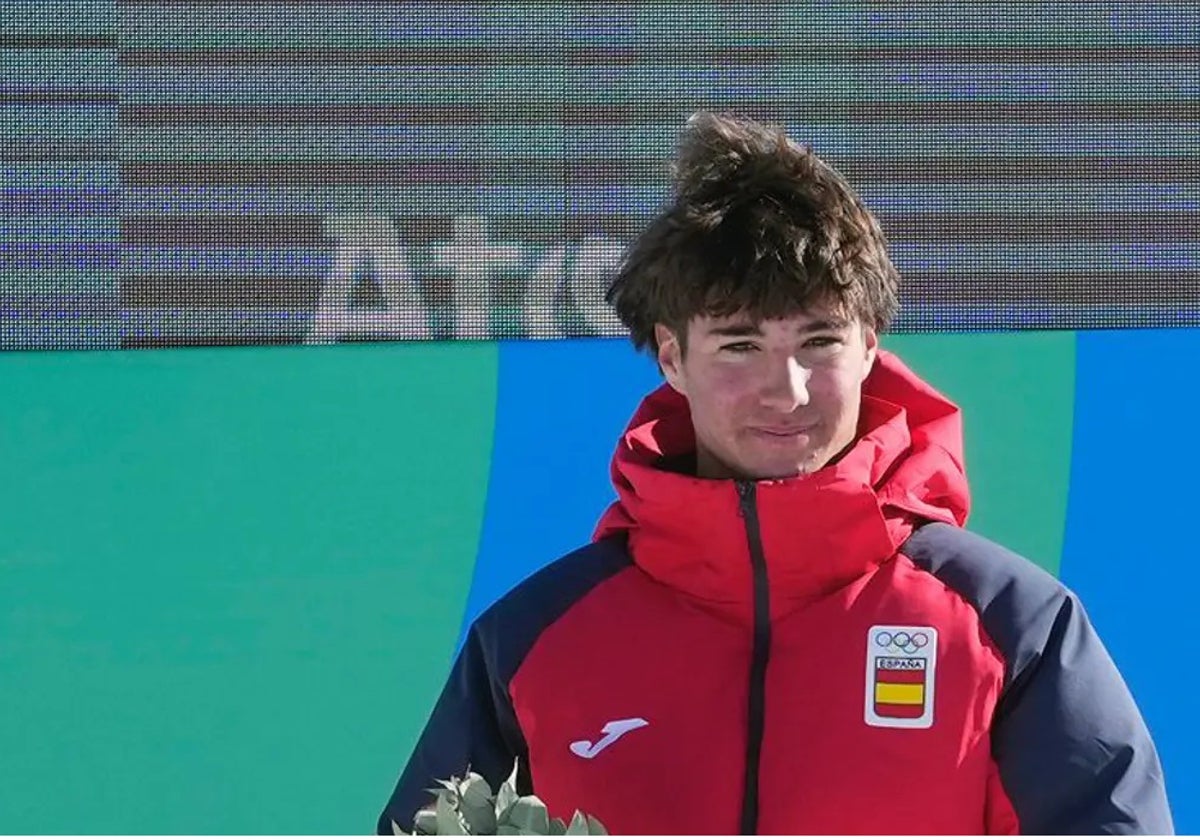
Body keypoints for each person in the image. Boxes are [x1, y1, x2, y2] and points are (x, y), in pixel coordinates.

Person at [377, 112, 1172, 834]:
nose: (785, 390)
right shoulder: (533, 642)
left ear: (870, 347)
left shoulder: (1010, 629)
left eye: (819, 342)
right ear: (670, 356)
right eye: (739, 344)